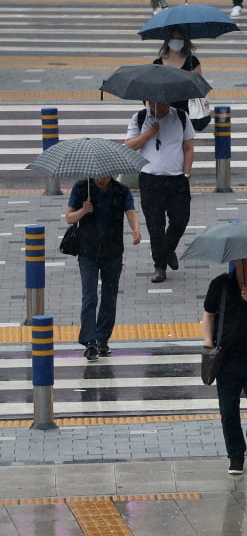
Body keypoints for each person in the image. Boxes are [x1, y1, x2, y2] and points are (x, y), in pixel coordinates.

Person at [202, 256, 247, 476]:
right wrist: (208, 344)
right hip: (227, 358)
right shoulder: (220, 285)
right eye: (244, 259)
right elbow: (209, 315)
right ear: (235, 260)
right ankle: (235, 455)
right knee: (228, 410)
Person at [65, 176, 141, 360]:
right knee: (90, 296)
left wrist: (135, 229)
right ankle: (89, 341)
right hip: (87, 251)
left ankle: (102, 338)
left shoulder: (121, 190)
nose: (100, 179)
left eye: (104, 175)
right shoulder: (82, 187)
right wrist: (84, 210)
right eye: (97, 175)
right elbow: (69, 217)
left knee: (110, 296)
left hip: (112, 251)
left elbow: (130, 211)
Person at [125, 100, 195, 283]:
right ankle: (160, 267)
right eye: (156, 102)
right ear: (149, 102)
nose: (162, 105)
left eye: (164, 102)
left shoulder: (181, 116)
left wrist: (186, 172)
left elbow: (188, 147)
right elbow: (129, 145)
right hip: (150, 180)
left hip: (177, 178)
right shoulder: (140, 118)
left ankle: (168, 249)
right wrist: (149, 133)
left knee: (180, 219)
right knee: (155, 226)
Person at [151, 29, 207, 131]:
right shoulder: (158, 63)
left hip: (187, 111)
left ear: (185, 41)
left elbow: (199, 86)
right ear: (167, 40)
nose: (176, 41)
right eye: (173, 38)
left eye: (180, 39)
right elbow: (152, 90)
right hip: (164, 111)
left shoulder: (192, 62)